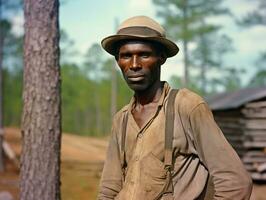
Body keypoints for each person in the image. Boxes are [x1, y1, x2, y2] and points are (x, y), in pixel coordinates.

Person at [98, 16, 252, 200]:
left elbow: (235, 182)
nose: (134, 65)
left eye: (144, 55)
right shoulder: (121, 119)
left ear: (161, 58)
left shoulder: (187, 107)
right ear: (118, 61)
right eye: (126, 56)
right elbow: (109, 189)